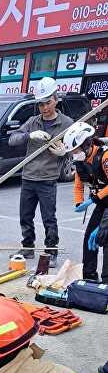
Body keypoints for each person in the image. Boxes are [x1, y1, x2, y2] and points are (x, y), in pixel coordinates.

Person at [9, 77, 73, 268]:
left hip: (48, 179)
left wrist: (65, 153)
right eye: (41, 104)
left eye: (48, 102)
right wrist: (30, 135)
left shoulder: (66, 123)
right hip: (28, 176)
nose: (44, 108)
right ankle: (27, 247)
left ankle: (51, 250)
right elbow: (13, 140)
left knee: (48, 217)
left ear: (56, 99)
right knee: (25, 216)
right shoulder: (32, 122)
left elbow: (78, 147)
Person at [63, 121, 108, 283]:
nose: (73, 155)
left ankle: (106, 283)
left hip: (103, 199)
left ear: (86, 144)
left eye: (75, 150)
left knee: (105, 237)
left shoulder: (104, 156)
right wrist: (78, 203)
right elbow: (78, 185)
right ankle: (89, 276)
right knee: (90, 237)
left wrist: (95, 198)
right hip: (103, 203)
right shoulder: (81, 162)